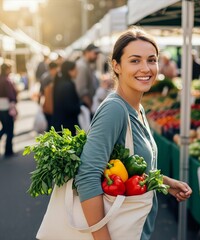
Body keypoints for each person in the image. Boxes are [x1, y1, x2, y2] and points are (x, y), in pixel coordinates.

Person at [75, 27, 192, 240]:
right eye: (135, 61)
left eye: (152, 60)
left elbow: (126, 167)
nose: (146, 68)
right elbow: (87, 176)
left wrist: (165, 182)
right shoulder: (115, 110)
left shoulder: (136, 108)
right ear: (116, 66)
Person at [52, 61, 80, 135]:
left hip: (60, 123)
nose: (77, 71)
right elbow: (70, 107)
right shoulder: (68, 85)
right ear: (69, 71)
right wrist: (80, 106)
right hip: (67, 124)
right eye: (75, 69)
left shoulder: (60, 82)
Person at [75, 43, 101, 111]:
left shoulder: (87, 65)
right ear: (87, 52)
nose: (97, 56)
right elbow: (82, 91)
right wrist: (91, 108)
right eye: (95, 53)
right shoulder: (82, 66)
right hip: (86, 107)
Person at [0, 63, 17, 158]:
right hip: (7, 107)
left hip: (1, 107)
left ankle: (8, 150)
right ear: (6, 69)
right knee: (9, 128)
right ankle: (8, 150)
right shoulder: (6, 81)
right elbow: (11, 95)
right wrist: (13, 106)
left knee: (5, 127)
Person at [39, 61, 59, 130]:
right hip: (50, 105)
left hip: (50, 106)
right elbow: (41, 92)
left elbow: (41, 92)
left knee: (51, 126)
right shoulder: (48, 78)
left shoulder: (44, 77)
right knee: (51, 126)